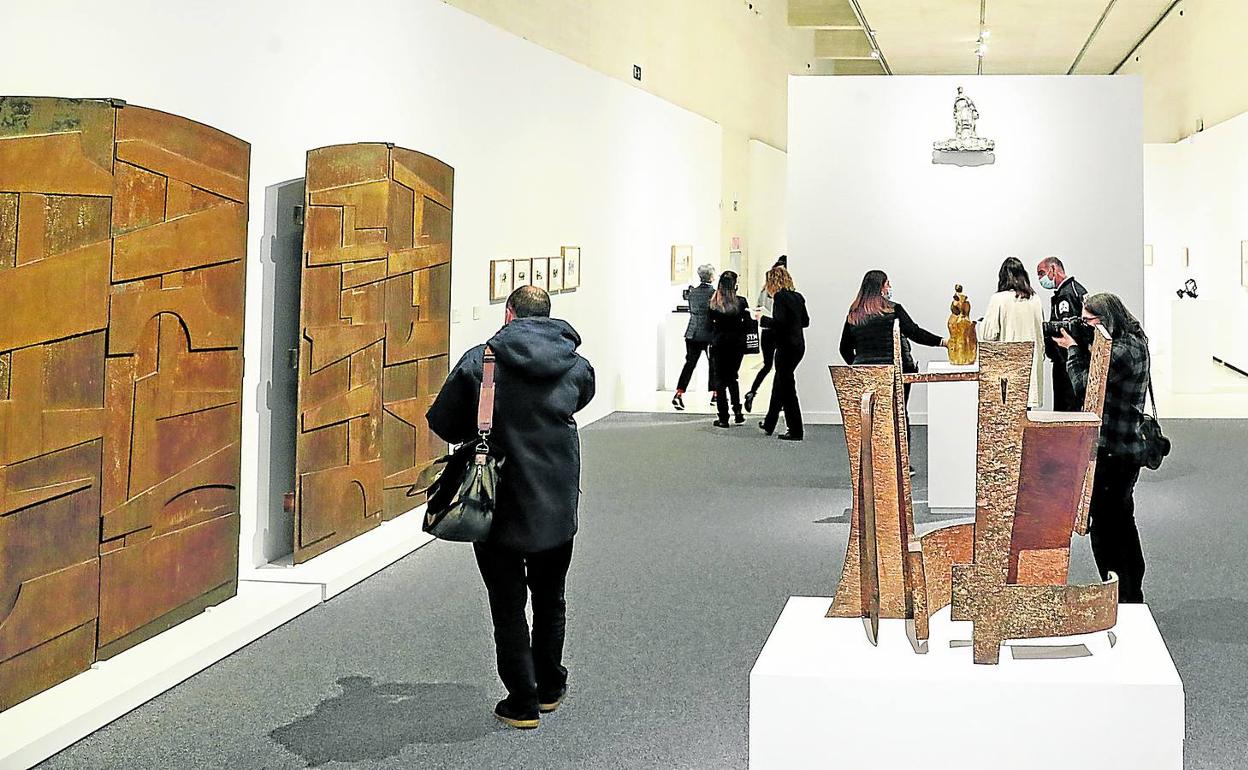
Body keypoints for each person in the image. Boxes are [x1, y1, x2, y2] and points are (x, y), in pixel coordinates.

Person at [425, 286, 596, 729]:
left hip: (496, 501)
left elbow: (442, 421)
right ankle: (551, 686)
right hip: (556, 501)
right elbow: (580, 398)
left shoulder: (479, 363)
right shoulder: (576, 366)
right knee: (550, 596)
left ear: (508, 314)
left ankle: (522, 700)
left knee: (507, 602)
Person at [1054, 292, 1150, 603]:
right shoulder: (1133, 342)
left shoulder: (1122, 352)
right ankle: (1128, 590)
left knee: (1107, 523)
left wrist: (1073, 350)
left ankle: (1122, 592)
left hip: (1115, 450)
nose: (1084, 326)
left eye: (1089, 322)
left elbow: (1084, 386)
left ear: (1106, 321)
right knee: (1120, 518)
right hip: (1122, 447)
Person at [838, 270, 946, 430]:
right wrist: (942, 341)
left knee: (871, 417)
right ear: (880, 288)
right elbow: (915, 332)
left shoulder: (854, 315)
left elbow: (844, 348)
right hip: (896, 371)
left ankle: (875, 453)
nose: (890, 287)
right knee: (898, 415)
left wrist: (858, 366)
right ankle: (901, 453)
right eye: (888, 284)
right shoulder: (894, 310)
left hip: (866, 373)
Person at [978, 257, 1046, 408]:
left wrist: (981, 323)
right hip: (1030, 367)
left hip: (1008, 368)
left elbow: (989, 335)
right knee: (1026, 415)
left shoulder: (998, 299)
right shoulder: (1035, 299)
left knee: (1007, 414)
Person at [754, 266, 809, 440]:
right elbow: (805, 321)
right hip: (799, 345)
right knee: (780, 383)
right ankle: (770, 423)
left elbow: (779, 323)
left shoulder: (779, 297)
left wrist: (762, 319)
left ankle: (796, 430)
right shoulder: (798, 297)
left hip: (786, 347)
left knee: (787, 389)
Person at [1036, 256, 1088, 411]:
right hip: (1072, 360)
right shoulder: (1075, 289)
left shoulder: (1067, 295)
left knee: (1066, 411)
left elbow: (1067, 329)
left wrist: (1044, 329)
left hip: (1068, 362)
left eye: (1041, 273)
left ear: (1053, 269)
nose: (1040, 279)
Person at [744, 255, 787, 413]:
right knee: (781, 368)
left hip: (767, 332)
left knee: (767, 365)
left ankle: (752, 392)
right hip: (779, 332)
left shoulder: (764, 289)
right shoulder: (786, 293)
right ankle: (779, 404)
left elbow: (757, 309)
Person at [707, 270, 750, 427]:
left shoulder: (714, 304)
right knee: (732, 377)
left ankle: (723, 417)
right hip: (736, 344)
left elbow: (708, 325)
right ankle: (738, 412)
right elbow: (748, 324)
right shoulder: (741, 302)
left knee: (720, 380)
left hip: (719, 344)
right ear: (735, 285)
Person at [673, 263, 715, 411]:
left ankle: (679, 393)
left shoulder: (692, 293)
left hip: (692, 332)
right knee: (714, 364)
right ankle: (715, 394)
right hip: (709, 333)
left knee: (689, 364)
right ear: (711, 277)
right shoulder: (714, 293)